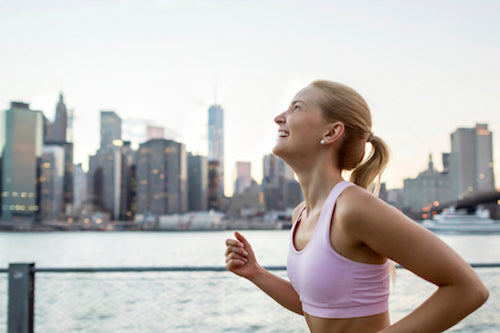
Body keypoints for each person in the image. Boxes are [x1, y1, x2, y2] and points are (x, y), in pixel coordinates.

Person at [224, 80, 489, 332]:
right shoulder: (302, 214)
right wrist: (255, 273)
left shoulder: (354, 208)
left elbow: (468, 289)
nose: (279, 117)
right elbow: (317, 307)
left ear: (331, 132)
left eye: (296, 107)